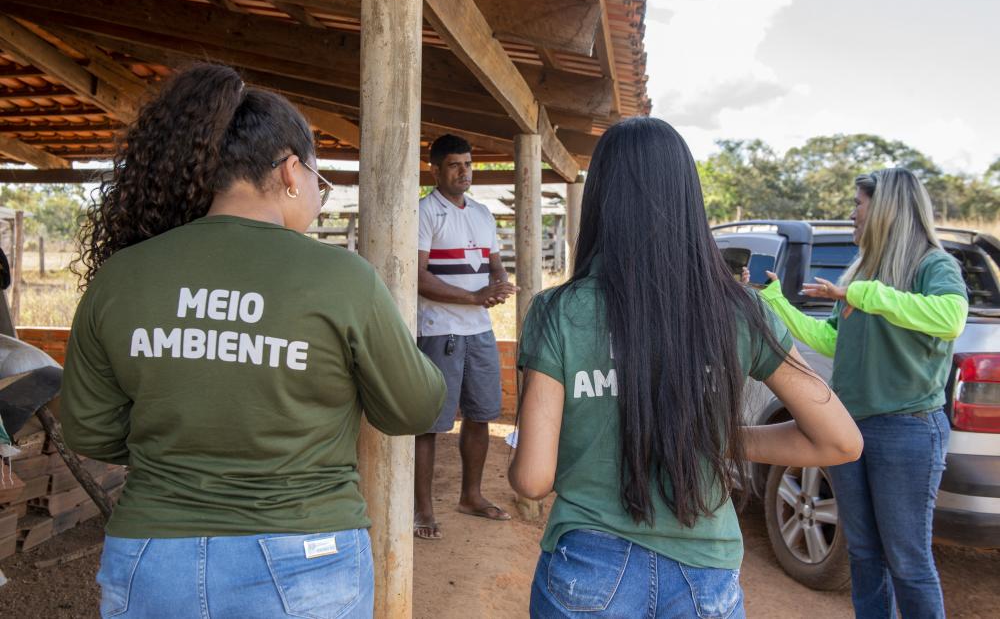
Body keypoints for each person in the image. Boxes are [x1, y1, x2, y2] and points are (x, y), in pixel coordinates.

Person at [60, 64, 446, 619]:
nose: (318, 196)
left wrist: (183, 442)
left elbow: (89, 430)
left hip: (152, 558)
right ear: (291, 171)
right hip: (302, 556)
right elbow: (414, 406)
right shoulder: (341, 278)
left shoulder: (122, 275)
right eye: (318, 181)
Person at [508, 117, 862, 618]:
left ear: (601, 200)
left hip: (588, 571)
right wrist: (723, 440)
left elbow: (532, 480)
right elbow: (841, 441)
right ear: (687, 199)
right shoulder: (741, 310)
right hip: (705, 577)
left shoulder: (558, 312)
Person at [757, 168, 968, 618]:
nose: (852, 214)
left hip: (907, 430)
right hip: (850, 431)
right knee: (864, 554)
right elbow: (833, 340)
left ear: (886, 208)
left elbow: (951, 317)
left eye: (858, 204)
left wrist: (864, 294)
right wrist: (776, 302)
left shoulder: (933, 265)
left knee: (907, 561)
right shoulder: (862, 271)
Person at [413, 134, 518, 540]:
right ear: (435, 170)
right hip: (440, 328)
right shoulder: (425, 212)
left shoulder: (482, 213)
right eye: (454, 165)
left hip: (480, 330)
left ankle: (470, 496)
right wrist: (474, 296)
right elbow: (418, 276)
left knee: (481, 414)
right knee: (430, 422)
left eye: (468, 164)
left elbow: (495, 264)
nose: (464, 172)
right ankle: (423, 510)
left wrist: (500, 283)